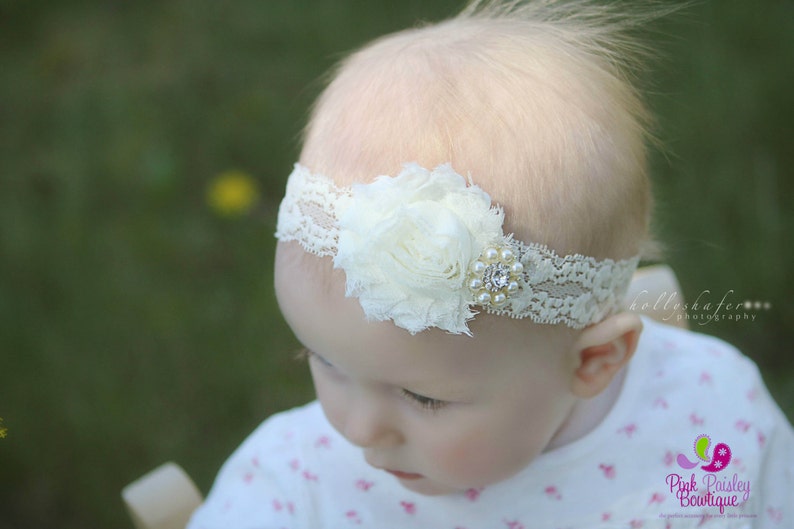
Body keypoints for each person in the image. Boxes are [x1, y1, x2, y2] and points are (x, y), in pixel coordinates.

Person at [187, 1, 793, 527]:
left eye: (422, 398)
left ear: (592, 359)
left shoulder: (703, 432)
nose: (359, 428)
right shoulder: (296, 486)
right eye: (323, 360)